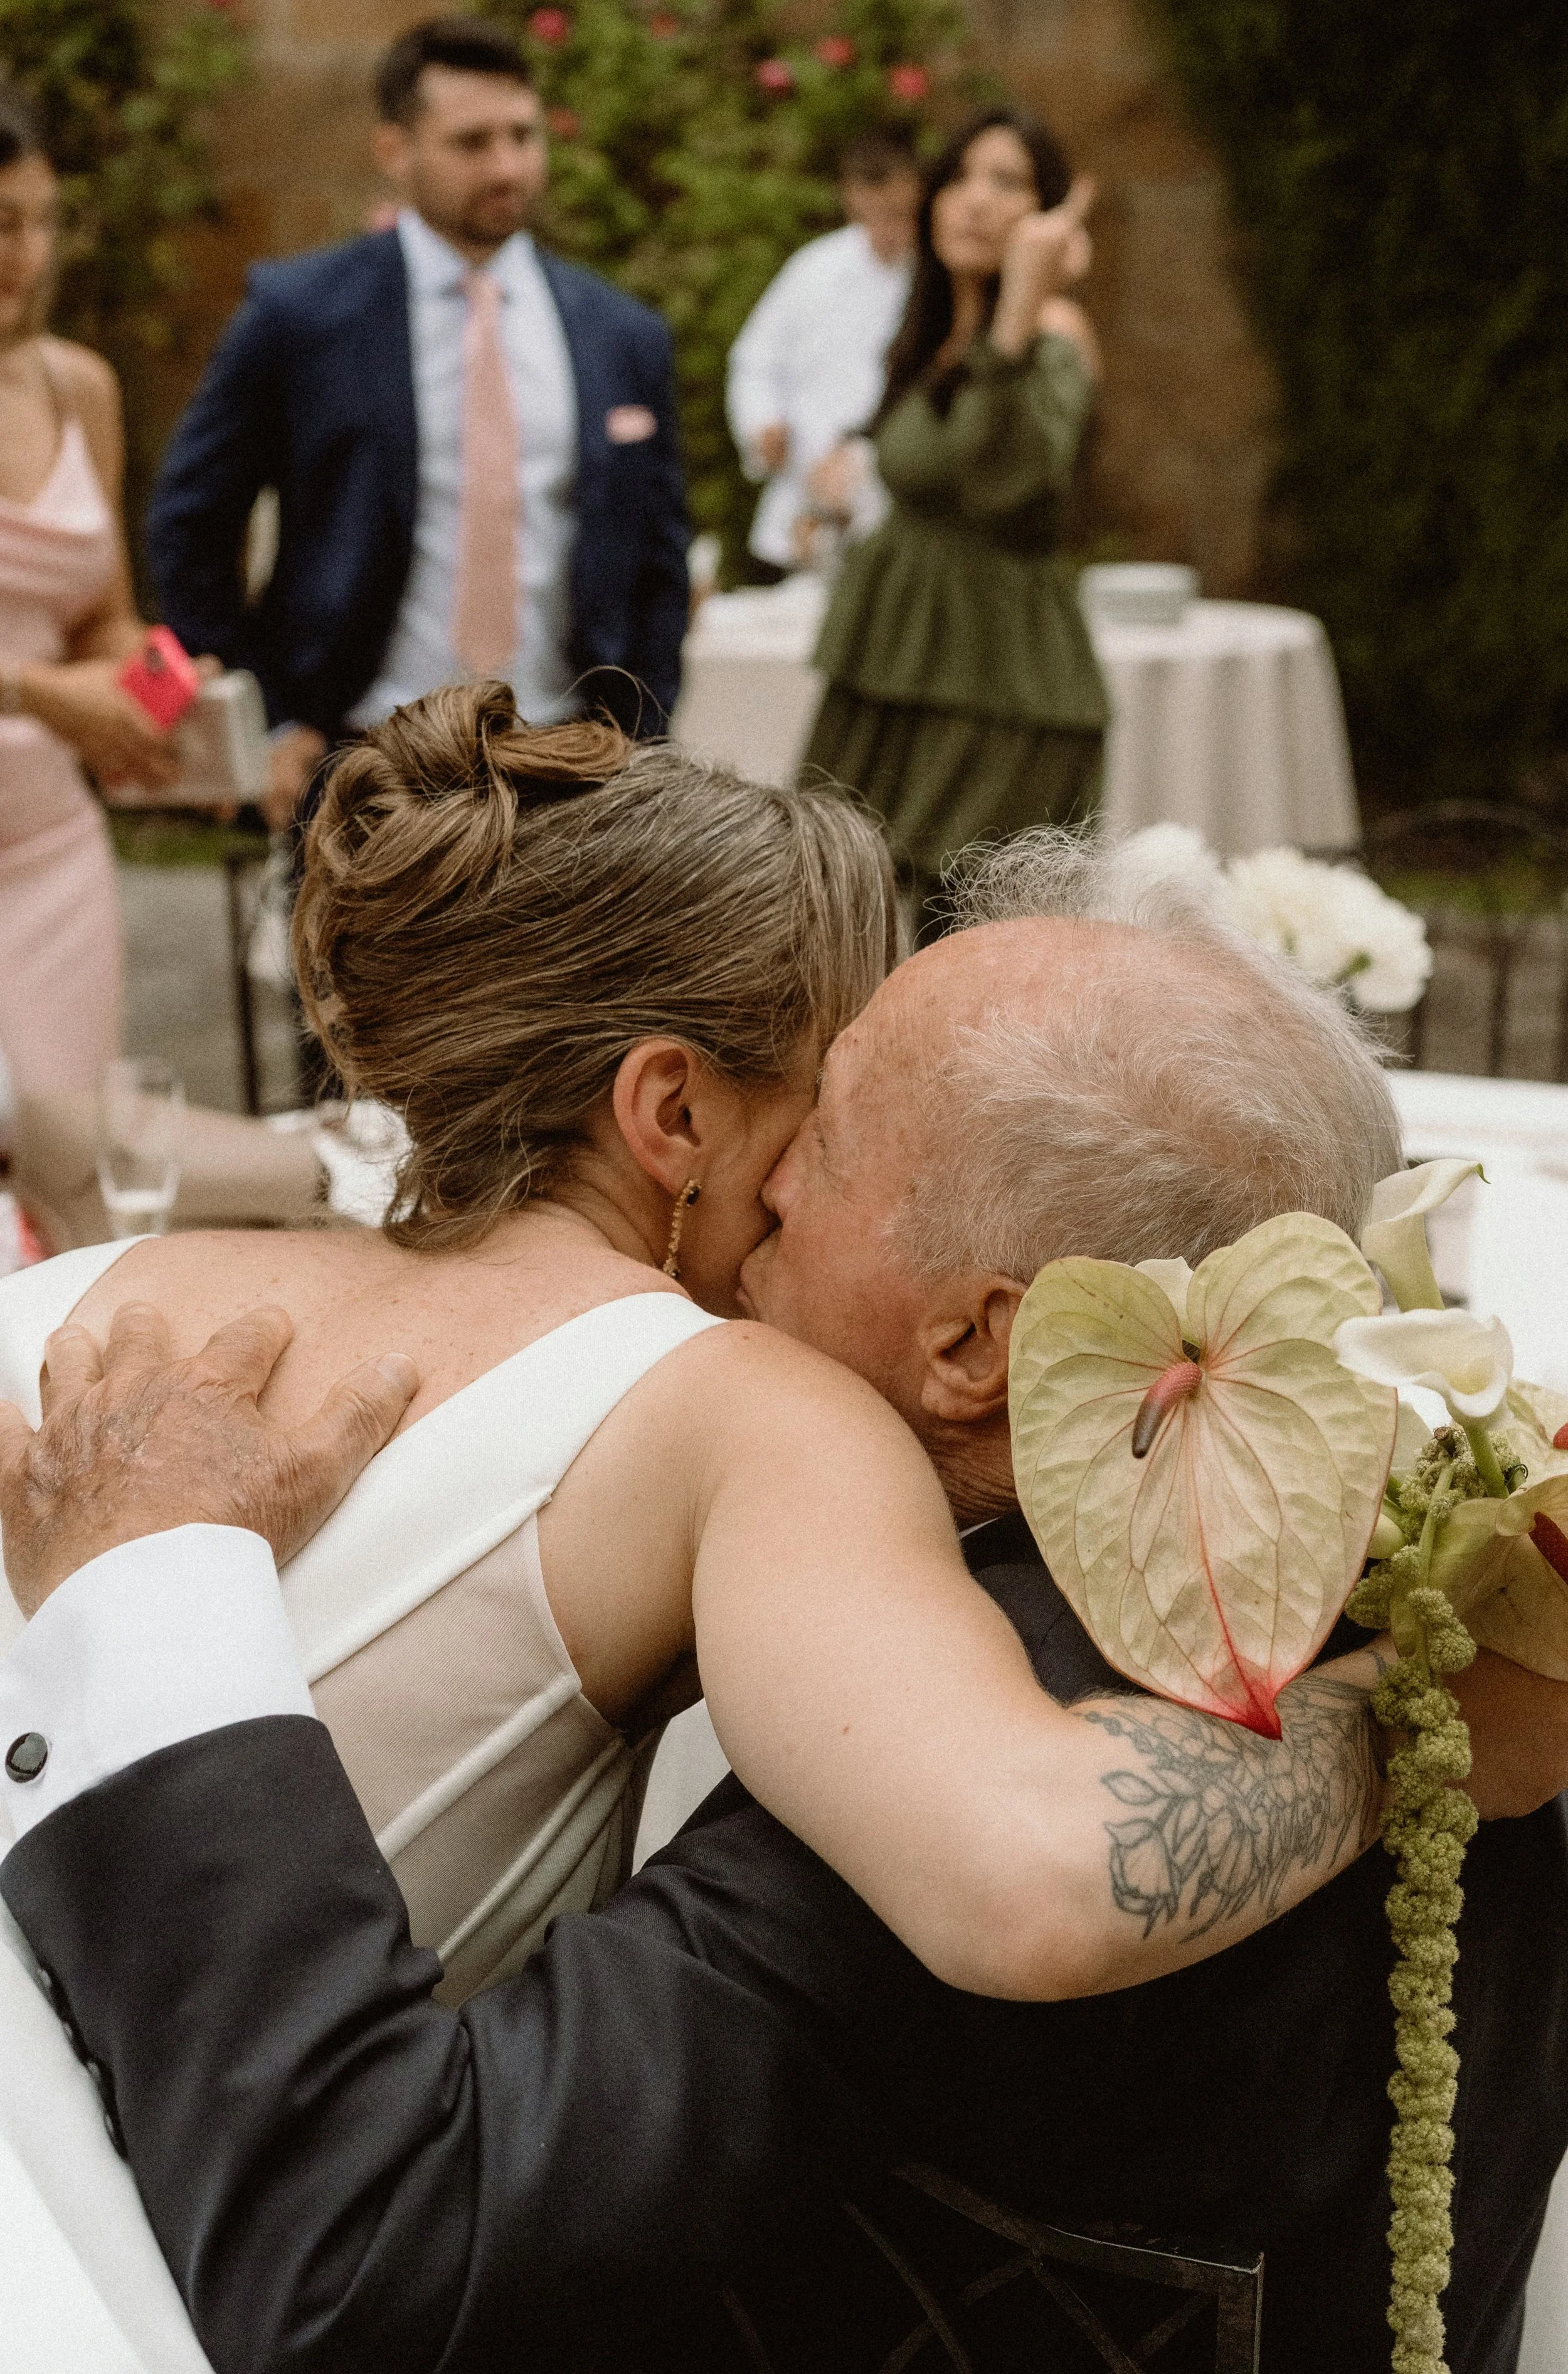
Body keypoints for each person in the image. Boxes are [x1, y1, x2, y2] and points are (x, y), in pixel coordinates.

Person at [3, 832, 1567, 2372]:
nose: (751, 1195)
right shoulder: (1448, 1585)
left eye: (821, 1139)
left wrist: (156, 1588)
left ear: (977, 1341)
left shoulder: (982, 1719)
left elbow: (377, 2245)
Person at [144, 16, 689, 836]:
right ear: (395, 152)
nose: (508, 166)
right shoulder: (299, 318)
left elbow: (658, 554)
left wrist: (639, 738)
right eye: (472, 143)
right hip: (364, 758)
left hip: (565, 763)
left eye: (523, 135)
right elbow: (189, 529)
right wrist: (273, 718)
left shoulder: (621, 334)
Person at [802, 108, 1110, 938]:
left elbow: (1007, 484)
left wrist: (1022, 307)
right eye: (961, 178)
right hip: (896, 657)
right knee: (829, 918)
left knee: (967, 948)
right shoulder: (938, 336)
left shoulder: (1052, 336)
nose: (974, 200)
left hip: (998, 683)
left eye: (1007, 183)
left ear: (1047, 218)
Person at [0, 83, 188, 1098]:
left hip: (51, 848)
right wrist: (37, 694)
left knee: (76, 1171)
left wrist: (154, 684)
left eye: (41, 221)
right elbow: (46, 670)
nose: (24, 254)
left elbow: (101, 614)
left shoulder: (80, 387)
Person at [726, 128, 921, 579]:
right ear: (852, 199)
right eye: (874, 216)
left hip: (895, 511)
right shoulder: (813, 271)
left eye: (900, 215)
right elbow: (755, 363)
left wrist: (860, 460)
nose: (888, 231)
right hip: (804, 508)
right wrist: (762, 425)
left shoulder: (935, 284)